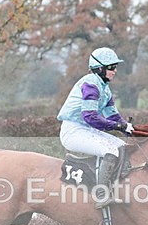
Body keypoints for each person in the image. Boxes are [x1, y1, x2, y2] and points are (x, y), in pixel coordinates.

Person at [57, 47, 135, 208]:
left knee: (122, 147)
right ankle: (101, 195)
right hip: (73, 131)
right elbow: (90, 116)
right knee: (111, 151)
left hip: (85, 129)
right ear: (100, 69)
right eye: (111, 67)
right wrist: (118, 126)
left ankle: (118, 188)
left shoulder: (104, 88)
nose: (115, 71)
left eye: (115, 67)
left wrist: (129, 128)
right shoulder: (91, 84)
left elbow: (113, 115)